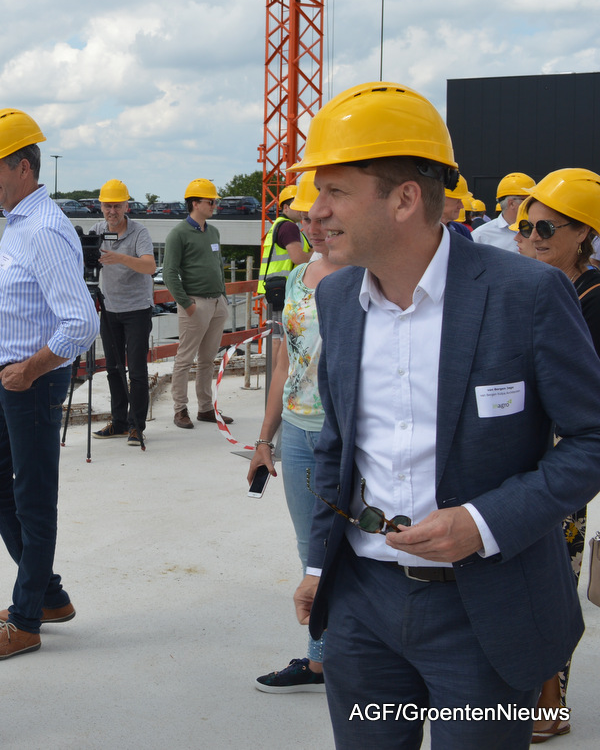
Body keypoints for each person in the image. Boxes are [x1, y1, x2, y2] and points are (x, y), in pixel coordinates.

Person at [290, 81, 600, 749]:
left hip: (486, 612)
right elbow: (336, 446)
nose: (314, 212)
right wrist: (319, 566)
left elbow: (592, 438)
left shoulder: (527, 294)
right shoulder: (338, 299)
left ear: (405, 199)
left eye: (335, 191)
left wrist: (483, 523)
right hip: (362, 610)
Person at [0, 107, 98, 661]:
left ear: (24, 167)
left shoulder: (43, 229)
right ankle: (46, 594)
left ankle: (26, 621)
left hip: (31, 383)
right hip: (3, 377)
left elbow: (81, 322)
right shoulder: (20, 223)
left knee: (33, 498)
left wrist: (30, 369)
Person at [512, 167, 600, 742]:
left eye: (547, 228)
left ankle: (550, 701)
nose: (533, 237)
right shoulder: (528, 285)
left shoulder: (594, 298)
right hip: (520, 455)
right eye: (526, 227)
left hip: (562, 464)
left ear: (583, 234)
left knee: (552, 583)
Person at [247, 171, 341, 694]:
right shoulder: (299, 277)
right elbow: (286, 359)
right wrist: (265, 439)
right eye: (304, 219)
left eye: (319, 215)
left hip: (341, 435)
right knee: (311, 548)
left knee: (345, 548)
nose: (314, 226)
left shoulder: (363, 275)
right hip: (299, 433)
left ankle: (341, 656)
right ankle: (322, 659)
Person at [88, 178, 156, 448]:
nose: (112, 211)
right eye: (107, 206)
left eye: (117, 206)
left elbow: (149, 266)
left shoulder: (139, 233)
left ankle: (136, 426)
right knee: (113, 369)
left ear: (127, 206)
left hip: (137, 309)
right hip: (109, 309)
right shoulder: (97, 230)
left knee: (136, 371)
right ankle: (118, 422)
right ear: (101, 207)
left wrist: (120, 258)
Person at [163, 178, 233, 429]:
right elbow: (169, 273)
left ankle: (205, 409)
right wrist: (187, 303)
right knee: (185, 359)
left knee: (207, 359)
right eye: (210, 201)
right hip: (195, 304)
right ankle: (180, 409)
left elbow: (217, 266)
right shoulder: (178, 234)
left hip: (216, 303)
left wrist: (223, 296)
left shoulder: (213, 232)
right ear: (195, 203)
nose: (214, 205)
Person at [256, 183, 311, 313]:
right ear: (285, 207)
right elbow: (298, 258)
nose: (301, 208)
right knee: (285, 325)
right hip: (285, 290)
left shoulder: (279, 225)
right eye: (296, 204)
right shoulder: (288, 227)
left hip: (275, 288)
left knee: (276, 326)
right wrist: (316, 255)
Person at [472, 172, 535, 252]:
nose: (534, 204)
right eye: (528, 200)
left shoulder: (538, 231)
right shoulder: (480, 236)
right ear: (511, 203)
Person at [442, 174, 474, 239]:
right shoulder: (420, 232)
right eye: (457, 200)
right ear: (440, 199)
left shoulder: (462, 231)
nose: (461, 206)